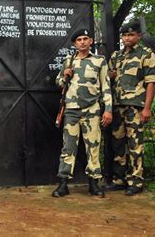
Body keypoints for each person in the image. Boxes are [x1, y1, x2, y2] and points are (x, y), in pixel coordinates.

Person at [52, 29, 112, 198]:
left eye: (85, 39)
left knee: (93, 147)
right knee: (68, 148)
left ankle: (94, 184)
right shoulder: (68, 61)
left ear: (91, 41)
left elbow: (106, 86)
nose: (82, 42)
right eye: (79, 39)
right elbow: (58, 82)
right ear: (74, 44)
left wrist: (108, 110)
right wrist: (64, 76)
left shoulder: (99, 61)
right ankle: (63, 184)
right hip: (71, 110)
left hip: (92, 110)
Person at [104, 20, 155, 196]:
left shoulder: (146, 54)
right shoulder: (116, 56)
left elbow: (151, 83)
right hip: (117, 106)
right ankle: (119, 180)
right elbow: (109, 78)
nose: (127, 38)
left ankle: (136, 181)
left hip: (135, 107)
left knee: (135, 144)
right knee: (118, 144)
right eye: (125, 35)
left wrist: (147, 108)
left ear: (138, 36)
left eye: (131, 35)